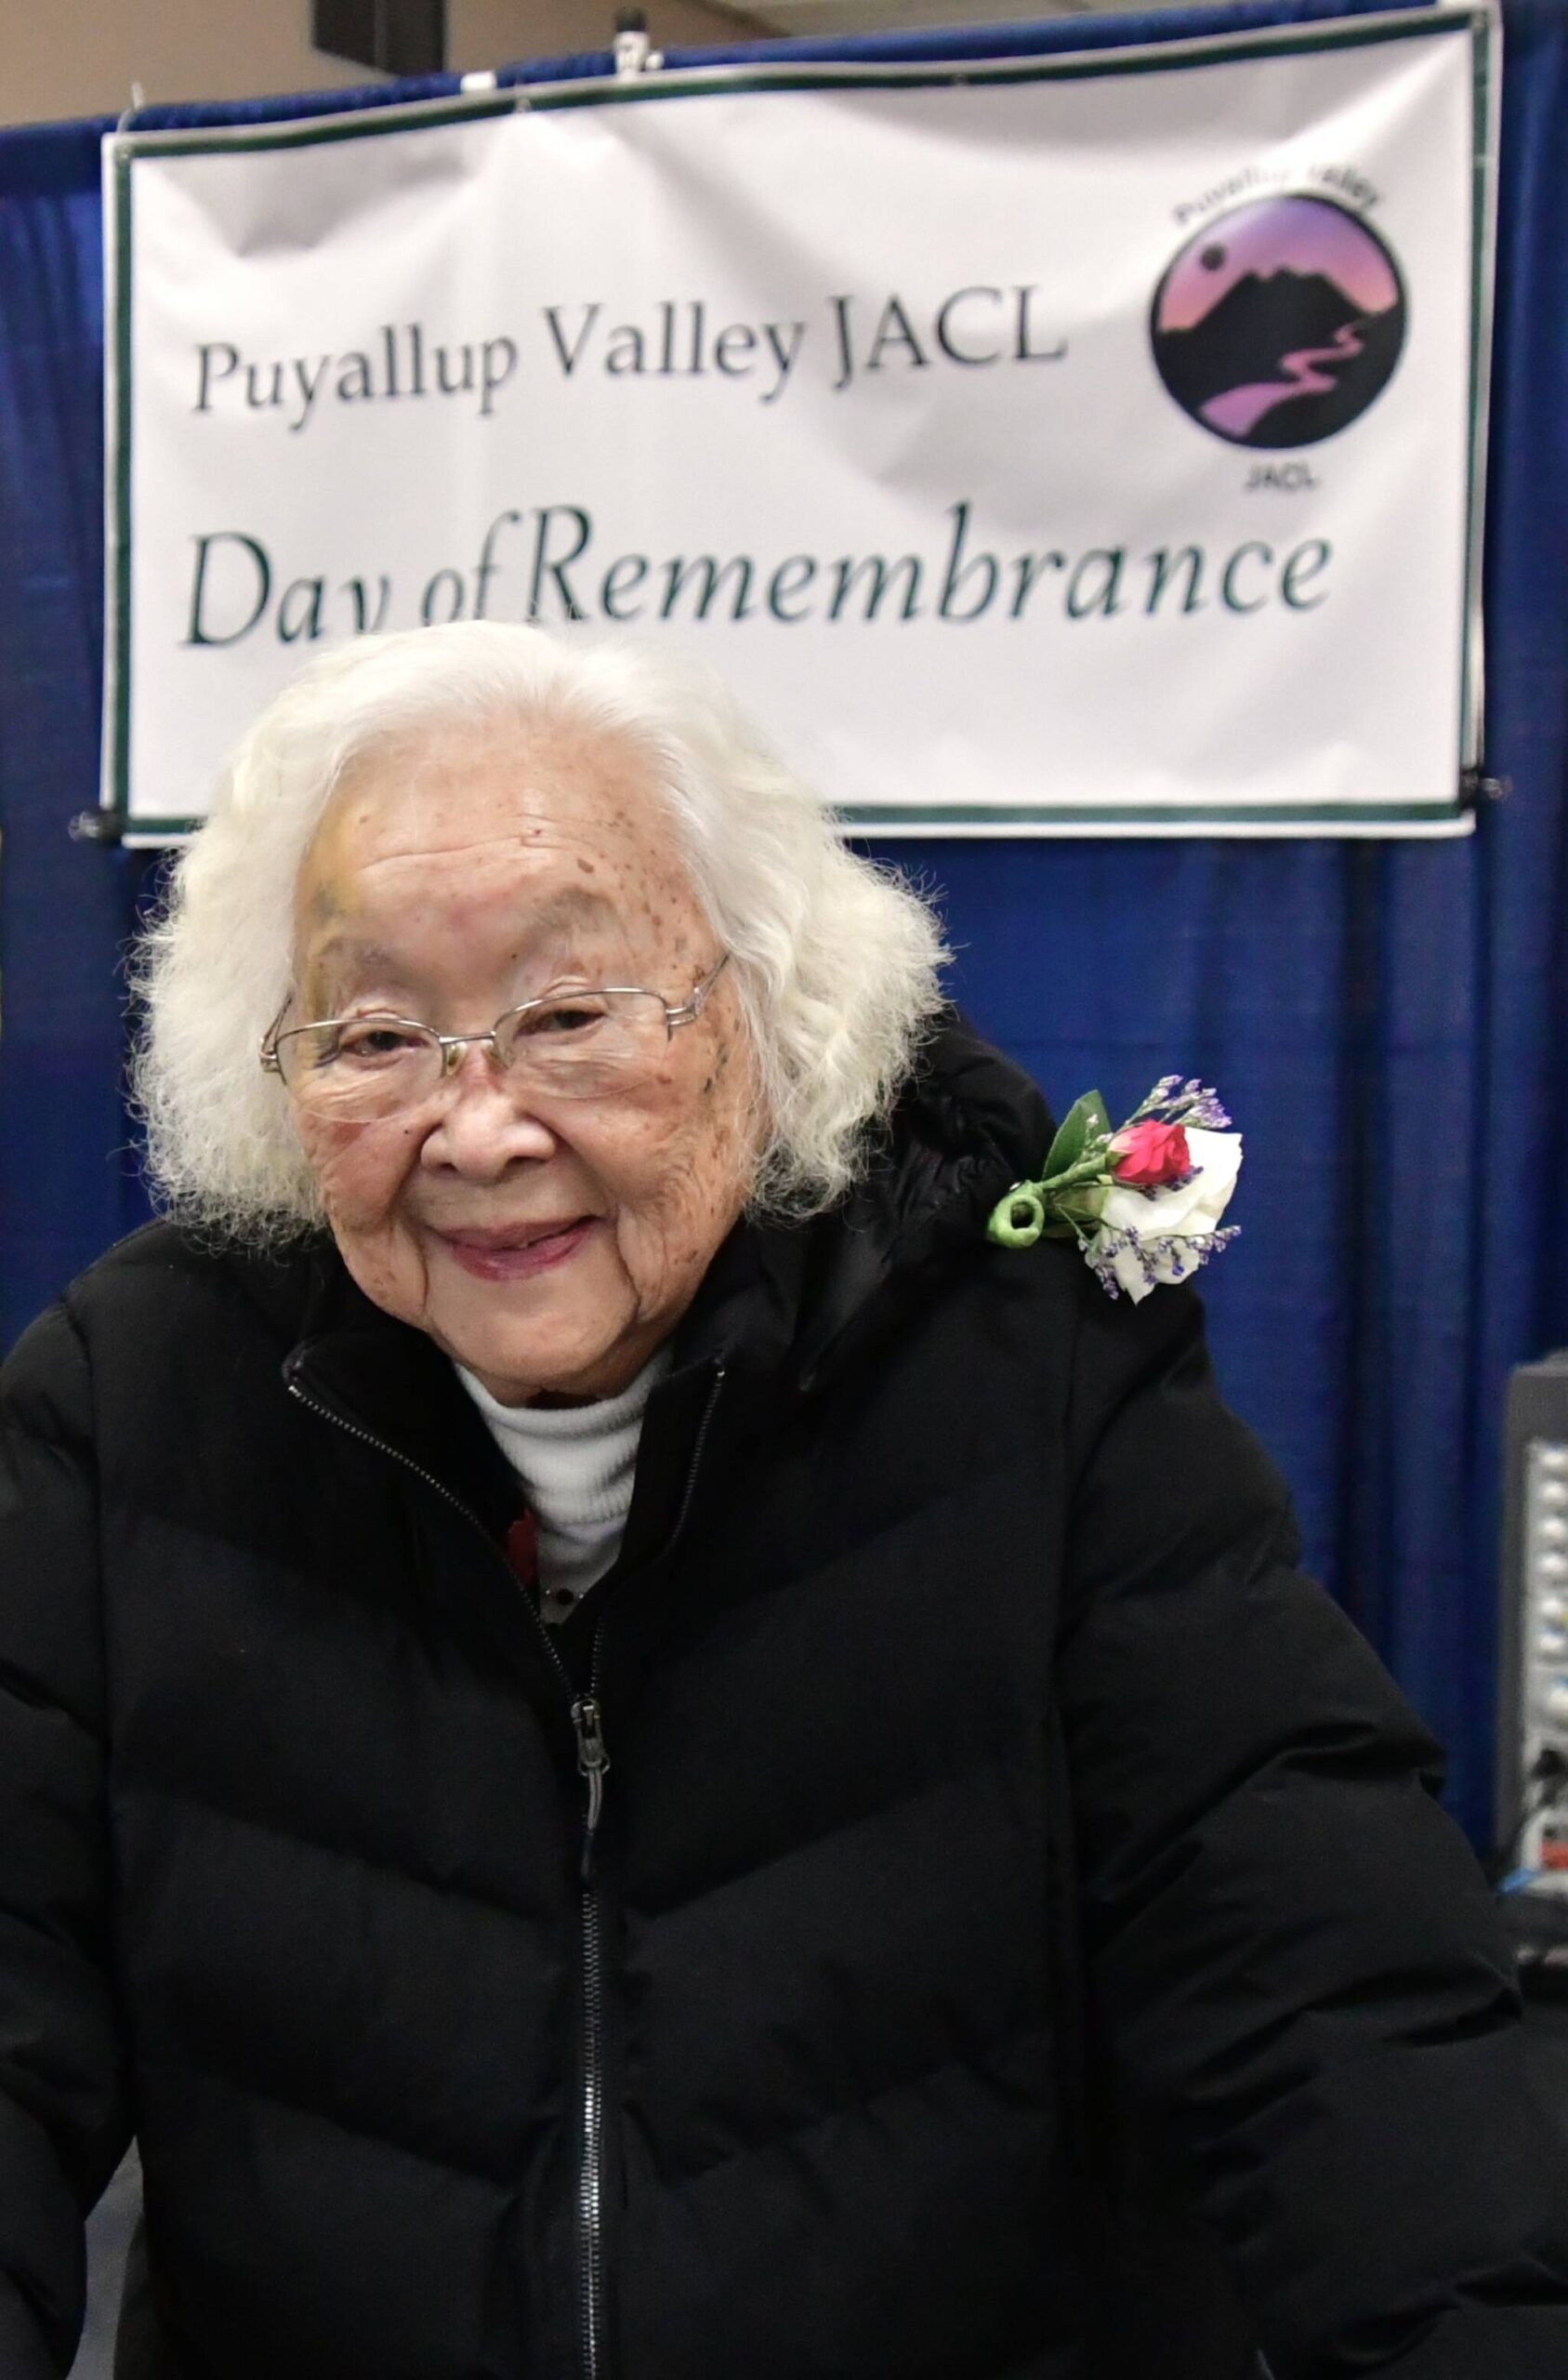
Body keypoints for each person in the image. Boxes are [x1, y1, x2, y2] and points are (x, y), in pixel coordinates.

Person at [2, 622, 1567, 2380]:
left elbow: (1324, 1990)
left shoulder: (1028, 1372)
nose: (479, 1127)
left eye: (570, 1014)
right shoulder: (127, 1403)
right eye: (376, 1035)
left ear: (762, 1009)